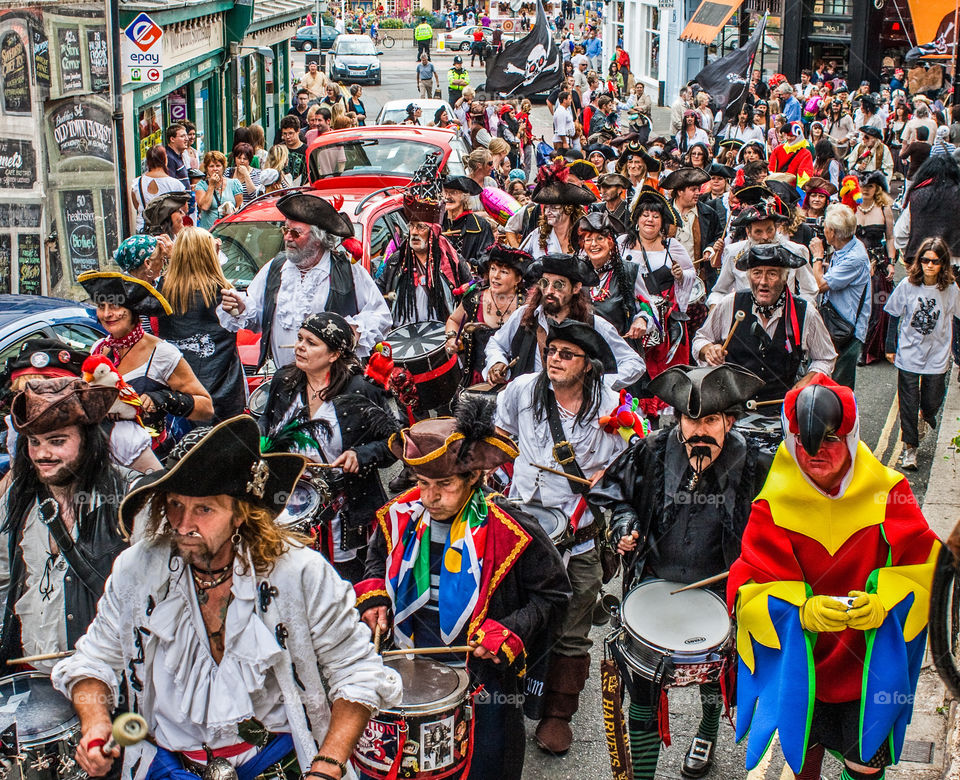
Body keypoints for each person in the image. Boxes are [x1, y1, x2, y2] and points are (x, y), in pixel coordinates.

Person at [52, 416, 403, 780]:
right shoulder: (136, 570)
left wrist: (327, 766)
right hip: (168, 768)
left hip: (276, 765)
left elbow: (358, 672)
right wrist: (95, 724)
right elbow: (94, 660)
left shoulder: (299, 572)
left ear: (240, 513)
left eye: (204, 509)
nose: (183, 524)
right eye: (174, 504)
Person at [728, 376, 940, 780]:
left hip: (868, 668)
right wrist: (799, 611)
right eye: (805, 442)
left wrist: (885, 602)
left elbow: (929, 568)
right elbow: (748, 586)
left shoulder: (888, 492)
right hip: (803, 665)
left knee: (864, 767)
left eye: (830, 438)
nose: (816, 452)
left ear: (852, 434)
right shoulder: (772, 505)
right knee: (800, 757)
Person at [356, 396, 571, 779]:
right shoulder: (400, 516)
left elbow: (554, 596)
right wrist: (374, 597)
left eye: (444, 484)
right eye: (422, 483)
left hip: (482, 685)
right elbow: (376, 560)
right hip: (408, 671)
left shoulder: (512, 529)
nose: (429, 497)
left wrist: (511, 630)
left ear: (474, 477)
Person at [590, 364, 772, 780]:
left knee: (714, 678)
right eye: (692, 419)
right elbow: (618, 496)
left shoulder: (757, 462)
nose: (699, 431)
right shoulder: (652, 450)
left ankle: (707, 729)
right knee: (643, 690)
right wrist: (624, 525)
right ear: (678, 419)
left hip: (722, 590)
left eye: (711, 420)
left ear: (729, 420)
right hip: (656, 581)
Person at [494, 319, 624, 755]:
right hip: (522, 531)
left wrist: (609, 477)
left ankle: (558, 714)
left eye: (567, 354)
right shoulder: (523, 389)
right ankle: (506, 704)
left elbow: (634, 460)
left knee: (572, 630)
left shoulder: (614, 405)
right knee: (511, 615)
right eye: (552, 350)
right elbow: (501, 433)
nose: (554, 359)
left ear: (588, 365)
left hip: (579, 537)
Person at [0, 378, 131, 670]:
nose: (42, 454)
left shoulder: (125, 497)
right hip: (33, 674)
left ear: (87, 441)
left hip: (103, 676)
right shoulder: (19, 497)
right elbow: (3, 576)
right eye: (34, 442)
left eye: (57, 441)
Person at [258, 313, 397, 582]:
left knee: (347, 583)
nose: (299, 346)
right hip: (290, 503)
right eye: (299, 338)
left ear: (334, 354)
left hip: (345, 511)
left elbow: (395, 445)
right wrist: (264, 443)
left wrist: (361, 455)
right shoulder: (284, 381)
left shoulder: (361, 391)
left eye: (311, 342)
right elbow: (267, 420)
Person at [219, 192, 388, 370]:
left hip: (334, 382)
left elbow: (381, 316)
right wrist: (242, 309)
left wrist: (354, 331)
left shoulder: (348, 272)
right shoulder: (275, 268)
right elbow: (260, 317)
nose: (287, 237)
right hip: (285, 381)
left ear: (318, 239)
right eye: (285, 230)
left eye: (296, 233)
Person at [79, 271, 214, 451]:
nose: (106, 314)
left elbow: (206, 408)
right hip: (104, 456)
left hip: (151, 458)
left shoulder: (162, 353)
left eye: (115, 306)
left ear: (134, 311)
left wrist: (165, 399)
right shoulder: (98, 348)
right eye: (101, 306)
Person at [693, 244, 837, 404]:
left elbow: (825, 358)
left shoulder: (805, 312)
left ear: (784, 278)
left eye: (772, 274)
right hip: (731, 408)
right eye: (757, 273)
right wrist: (708, 350)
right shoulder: (730, 304)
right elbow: (700, 340)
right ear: (748, 277)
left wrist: (807, 381)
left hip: (782, 407)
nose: (763, 281)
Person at [484, 253, 645, 389]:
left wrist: (597, 384)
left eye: (558, 285)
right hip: (527, 407)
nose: (549, 291)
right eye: (545, 283)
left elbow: (634, 363)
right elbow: (496, 344)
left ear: (575, 288)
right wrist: (497, 362)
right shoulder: (524, 316)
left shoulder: (595, 325)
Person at [155, 227, 247, 421]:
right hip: (221, 393)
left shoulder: (163, 290)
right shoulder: (222, 291)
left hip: (178, 390)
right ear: (209, 255)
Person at [619, 189, 697, 416]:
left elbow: (691, 275)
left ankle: (662, 416)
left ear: (662, 221)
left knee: (662, 371)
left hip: (664, 323)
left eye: (655, 216)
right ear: (637, 219)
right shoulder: (623, 244)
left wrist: (680, 275)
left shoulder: (672, 247)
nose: (649, 220)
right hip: (629, 318)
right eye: (645, 215)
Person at [884, 237, 960, 471]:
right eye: (925, 260)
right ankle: (910, 449)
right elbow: (893, 315)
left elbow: (958, 321)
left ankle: (925, 417)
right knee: (908, 402)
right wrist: (890, 346)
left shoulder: (951, 289)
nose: (929, 265)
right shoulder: (907, 285)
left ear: (943, 264)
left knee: (932, 401)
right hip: (909, 353)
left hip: (937, 356)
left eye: (935, 262)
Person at [707, 187, 819, 307]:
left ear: (776, 228)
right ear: (748, 232)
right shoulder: (734, 252)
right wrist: (715, 306)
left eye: (769, 230)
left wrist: (799, 312)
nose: (765, 237)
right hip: (745, 316)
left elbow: (810, 290)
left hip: (784, 316)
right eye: (758, 232)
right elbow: (719, 291)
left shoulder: (795, 251)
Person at [378, 185, 472, 326]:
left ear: (433, 232)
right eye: (412, 226)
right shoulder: (396, 261)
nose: (414, 232)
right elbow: (377, 294)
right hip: (402, 336)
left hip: (441, 336)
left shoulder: (452, 261)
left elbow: (471, 296)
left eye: (421, 227)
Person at [445, 245, 528, 385]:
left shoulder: (527, 306)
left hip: (514, 381)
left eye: (504, 272)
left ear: (518, 278)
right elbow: (453, 320)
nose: (495, 276)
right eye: (493, 269)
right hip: (478, 379)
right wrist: (452, 337)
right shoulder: (474, 298)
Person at [809, 203, 871, 389]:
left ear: (833, 233)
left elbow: (819, 285)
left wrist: (817, 257)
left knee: (838, 386)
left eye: (826, 228)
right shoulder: (847, 247)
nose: (823, 230)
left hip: (847, 329)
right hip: (837, 323)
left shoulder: (855, 257)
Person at [853, 171, 896, 366]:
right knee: (855, 307)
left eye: (870, 186)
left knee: (877, 309)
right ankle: (853, 348)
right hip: (855, 262)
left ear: (877, 188)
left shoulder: (884, 208)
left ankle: (868, 350)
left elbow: (890, 238)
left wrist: (891, 263)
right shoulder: (852, 207)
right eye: (863, 186)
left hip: (877, 263)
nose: (865, 189)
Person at [520, 161, 595, 258]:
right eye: (546, 208)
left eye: (554, 207)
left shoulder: (585, 237)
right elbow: (518, 262)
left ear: (569, 209)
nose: (547, 212)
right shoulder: (536, 236)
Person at [894, 154, 960, 259]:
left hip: (923, 262)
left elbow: (900, 234)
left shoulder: (917, 195)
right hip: (955, 264)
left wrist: (910, 255)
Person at [440, 175, 494, 267]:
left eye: (453, 192)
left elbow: (486, 258)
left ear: (464, 197)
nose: (447, 197)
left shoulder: (480, 225)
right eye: (445, 192)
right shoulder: (437, 223)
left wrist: (470, 265)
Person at [132, 145, 186, 232]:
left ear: (148, 161)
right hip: (167, 230)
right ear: (165, 159)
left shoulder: (137, 183)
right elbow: (184, 208)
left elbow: (137, 206)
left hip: (144, 229)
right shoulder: (176, 184)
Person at [195, 150, 243, 229]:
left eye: (218, 166)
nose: (215, 169)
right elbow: (204, 206)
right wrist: (211, 185)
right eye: (211, 166)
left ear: (223, 167)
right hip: (209, 231)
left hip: (229, 229)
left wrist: (231, 211)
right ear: (207, 169)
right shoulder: (201, 185)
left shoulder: (234, 184)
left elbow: (240, 207)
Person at [278, 116, 308, 185]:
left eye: (291, 133)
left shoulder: (306, 151)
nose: (287, 137)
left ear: (298, 131)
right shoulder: (279, 150)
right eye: (285, 134)